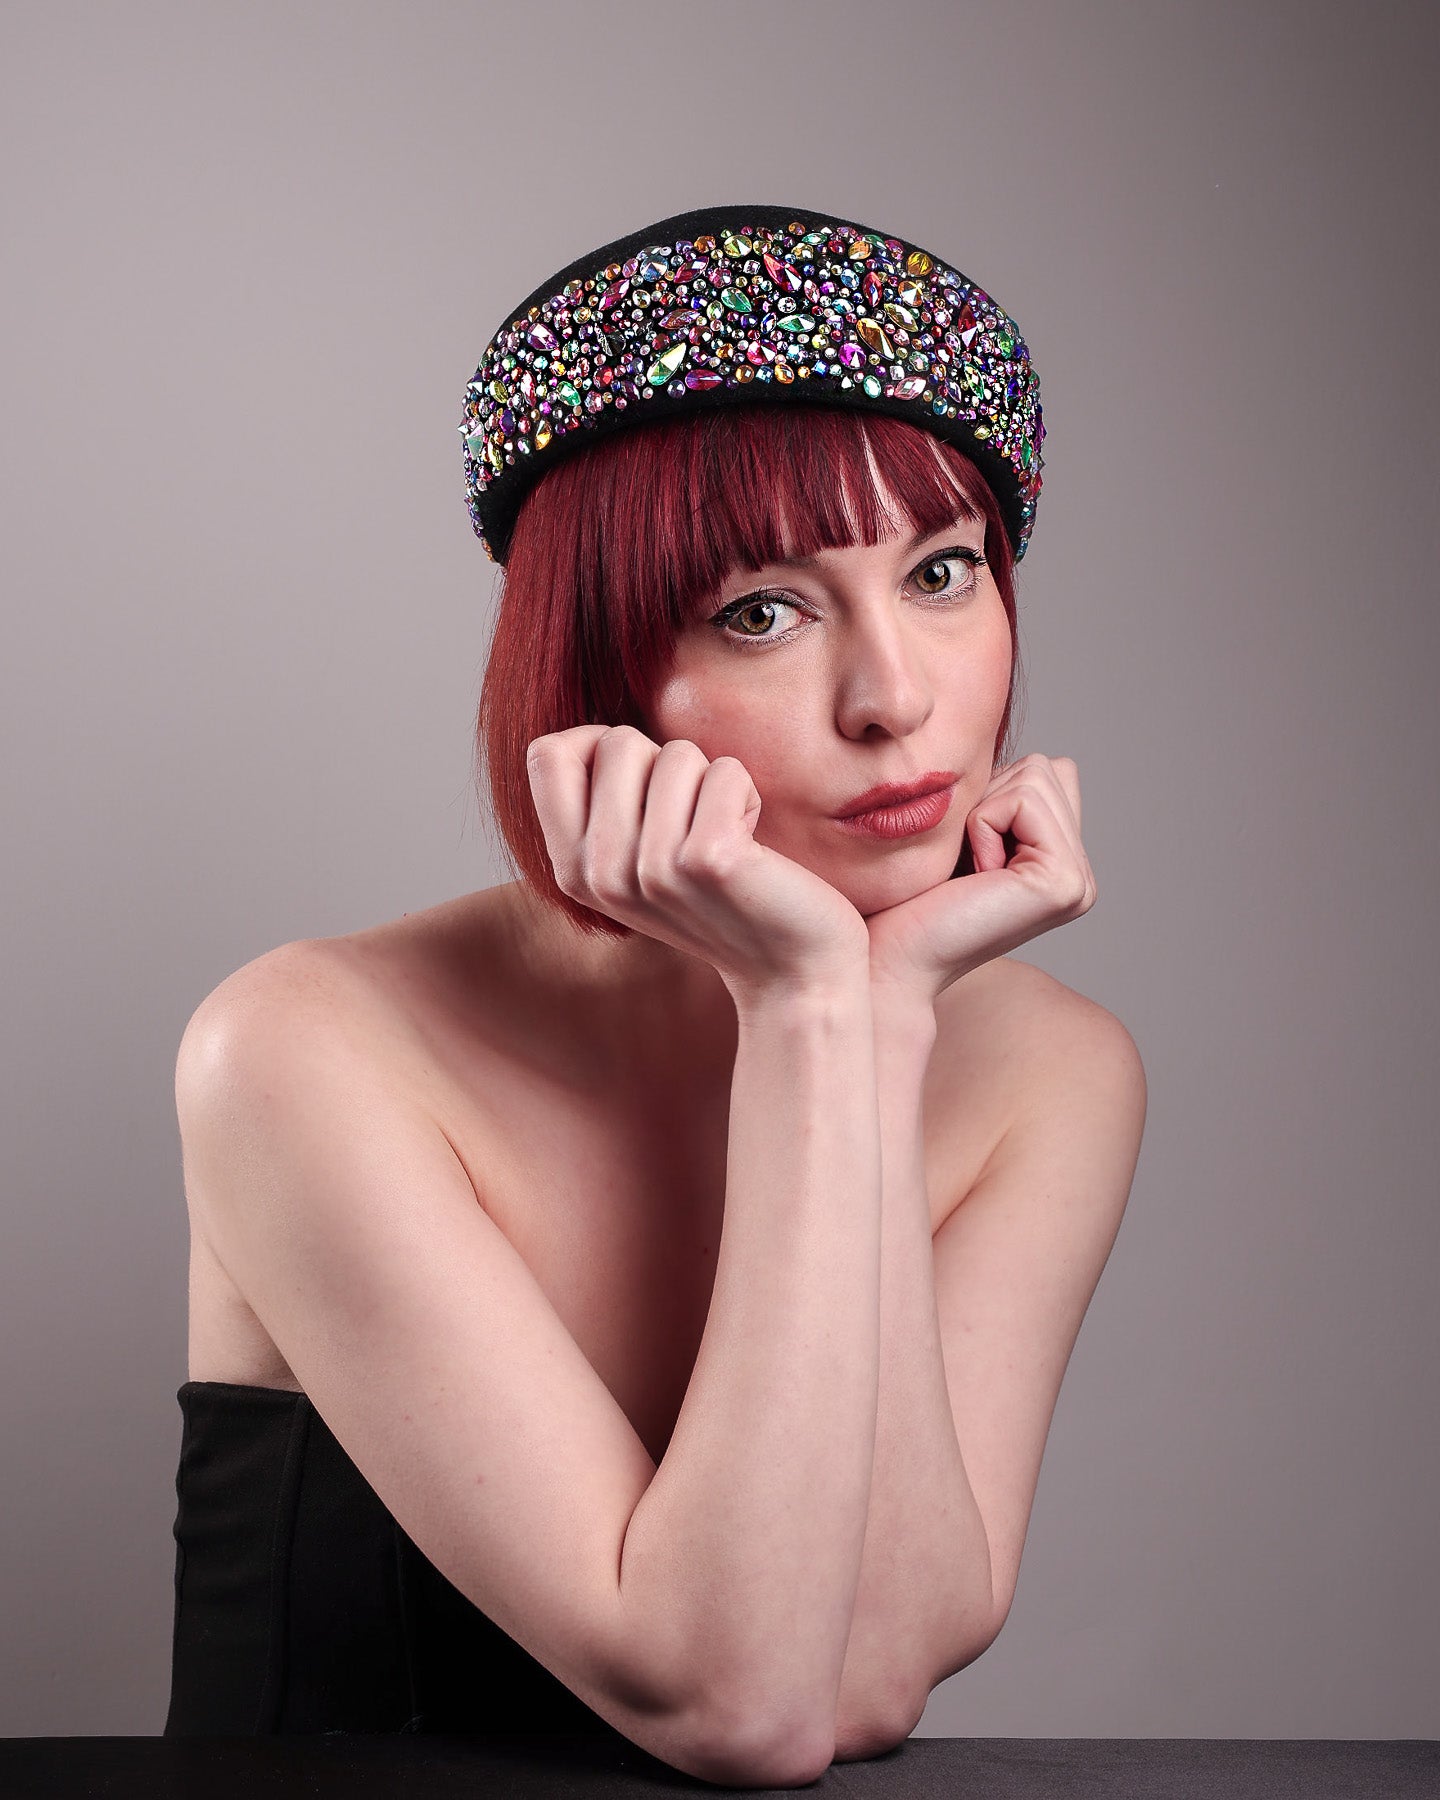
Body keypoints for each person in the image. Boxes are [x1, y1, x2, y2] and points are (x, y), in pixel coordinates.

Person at [163, 204, 1147, 1787]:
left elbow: (864, 1679)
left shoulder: (1054, 1072)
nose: (895, 698)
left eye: (942, 572)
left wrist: (872, 1014)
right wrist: (812, 1007)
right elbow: (738, 1706)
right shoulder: (301, 1051)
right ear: (602, 675)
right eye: (762, 610)